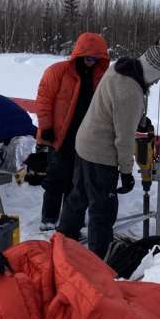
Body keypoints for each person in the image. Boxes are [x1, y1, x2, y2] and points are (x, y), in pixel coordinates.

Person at [57, 46, 160, 258]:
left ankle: (63, 239)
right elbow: (124, 138)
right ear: (152, 72)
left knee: (78, 196)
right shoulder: (131, 91)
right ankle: (99, 258)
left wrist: (138, 119)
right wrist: (126, 172)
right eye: (157, 78)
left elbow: (115, 111)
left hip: (84, 142)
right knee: (103, 209)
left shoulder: (121, 68)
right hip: (101, 154)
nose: (156, 83)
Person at [35, 33, 110, 231]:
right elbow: (43, 101)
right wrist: (46, 127)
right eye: (88, 58)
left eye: (96, 59)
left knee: (77, 181)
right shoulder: (57, 72)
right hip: (60, 137)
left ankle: (71, 220)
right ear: (79, 55)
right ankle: (49, 219)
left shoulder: (101, 77)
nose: (91, 63)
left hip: (86, 139)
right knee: (56, 179)